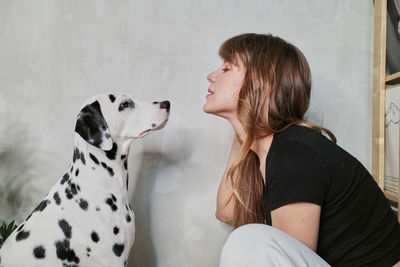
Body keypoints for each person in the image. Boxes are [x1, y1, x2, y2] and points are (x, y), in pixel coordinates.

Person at [203, 33, 400, 267]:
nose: (211, 76)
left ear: (259, 83)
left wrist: (247, 124)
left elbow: (285, 257)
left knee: (246, 241)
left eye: (226, 69)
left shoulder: (293, 154)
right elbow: (225, 211)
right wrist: (242, 132)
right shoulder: (268, 151)